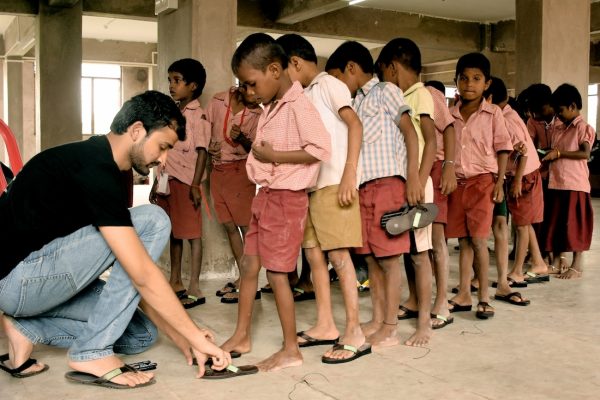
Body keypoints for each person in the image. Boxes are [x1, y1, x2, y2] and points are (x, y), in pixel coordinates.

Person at [0, 91, 231, 388]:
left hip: (33, 284)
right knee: (153, 220)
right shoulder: (93, 168)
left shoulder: (96, 161)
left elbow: (132, 271)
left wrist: (182, 334)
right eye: (162, 147)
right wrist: (196, 335)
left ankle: (27, 328)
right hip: (18, 280)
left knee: (141, 334)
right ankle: (91, 352)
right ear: (137, 130)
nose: (162, 160)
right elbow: (142, 273)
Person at [221, 33, 331, 372]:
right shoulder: (271, 107)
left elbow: (320, 150)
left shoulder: (299, 105)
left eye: (251, 84)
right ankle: (242, 335)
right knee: (250, 266)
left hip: (287, 201)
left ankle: (291, 349)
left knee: (279, 275)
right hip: (265, 197)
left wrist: (275, 156)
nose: (248, 92)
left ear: (273, 70)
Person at [276, 33, 369, 363]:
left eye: (282, 71)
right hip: (312, 187)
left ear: (296, 63)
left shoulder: (329, 84)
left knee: (340, 258)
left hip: (334, 184)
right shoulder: (305, 94)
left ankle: (354, 331)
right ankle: (326, 324)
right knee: (314, 256)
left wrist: (349, 173)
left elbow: (354, 125)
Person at [326, 41, 422, 348]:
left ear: (351, 68)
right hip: (364, 188)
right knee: (371, 257)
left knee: (390, 259)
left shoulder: (385, 91)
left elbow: (410, 133)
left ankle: (391, 327)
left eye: (338, 76)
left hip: (388, 184)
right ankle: (379, 318)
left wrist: (413, 178)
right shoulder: (354, 104)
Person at [375, 38, 437, 346]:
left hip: (417, 185)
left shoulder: (419, 94)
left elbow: (430, 142)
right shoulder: (402, 95)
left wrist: (417, 180)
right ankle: (413, 301)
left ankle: (424, 322)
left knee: (419, 255)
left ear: (392, 68)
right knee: (408, 250)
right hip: (406, 182)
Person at [446, 53, 513, 320]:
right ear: (456, 82)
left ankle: (484, 296)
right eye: (463, 78)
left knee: (478, 241)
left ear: (487, 84)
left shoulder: (493, 113)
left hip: (483, 183)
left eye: (476, 79)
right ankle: (463, 293)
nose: (469, 84)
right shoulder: (450, 115)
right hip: (458, 184)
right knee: (462, 240)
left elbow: (503, 150)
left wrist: (499, 183)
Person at [150, 58, 211, 309]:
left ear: (193, 86)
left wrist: (195, 186)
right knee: (174, 233)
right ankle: (175, 280)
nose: (171, 85)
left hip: (187, 183)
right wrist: (155, 183)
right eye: (169, 80)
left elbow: (203, 152)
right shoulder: (173, 113)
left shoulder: (199, 116)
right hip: (166, 181)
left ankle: (194, 286)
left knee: (192, 235)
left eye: (177, 80)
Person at [205, 85, 262, 303]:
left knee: (246, 227)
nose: (256, 95)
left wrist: (243, 139)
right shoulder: (219, 99)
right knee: (229, 226)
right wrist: (209, 145)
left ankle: (251, 282)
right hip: (217, 170)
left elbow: (257, 149)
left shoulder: (258, 112)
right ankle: (243, 276)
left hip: (240, 170)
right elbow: (204, 128)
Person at [484, 77, 532, 307]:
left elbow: (520, 151)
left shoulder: (502, 119)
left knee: (502, 226)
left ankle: (504, 281)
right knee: (475, 235)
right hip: (478, 180)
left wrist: (513, 180)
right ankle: (475, 279)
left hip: (498, 179)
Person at [542, 83, 595, 279]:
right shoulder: (559, 127)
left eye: (562, 110)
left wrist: (558, 153)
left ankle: (577, 265)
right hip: (556, 182)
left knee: (574, 226)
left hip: (575, 183)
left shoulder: (583, 128)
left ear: (573, 106)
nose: (559, 115)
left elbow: (585, 153)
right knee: (556, 223)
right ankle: (557, 262)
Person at [423, 80, 457, 328]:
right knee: (417, 242)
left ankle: (442, 301)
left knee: (436, 238)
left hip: (435, 169)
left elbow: (449, 129)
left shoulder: (430, 94)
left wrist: (448, 167)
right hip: (414, 171)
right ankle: (418, 300)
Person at [525, 83, 565, 276]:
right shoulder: (533, 121)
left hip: (561, 177)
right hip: (541, 174)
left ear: (550, 105)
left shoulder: (562, 119)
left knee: (557, 217)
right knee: (539, 217)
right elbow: (529, 144)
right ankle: (540, 254)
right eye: (533, 112)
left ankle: (557, 256)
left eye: (539, 111)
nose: (536, 116)